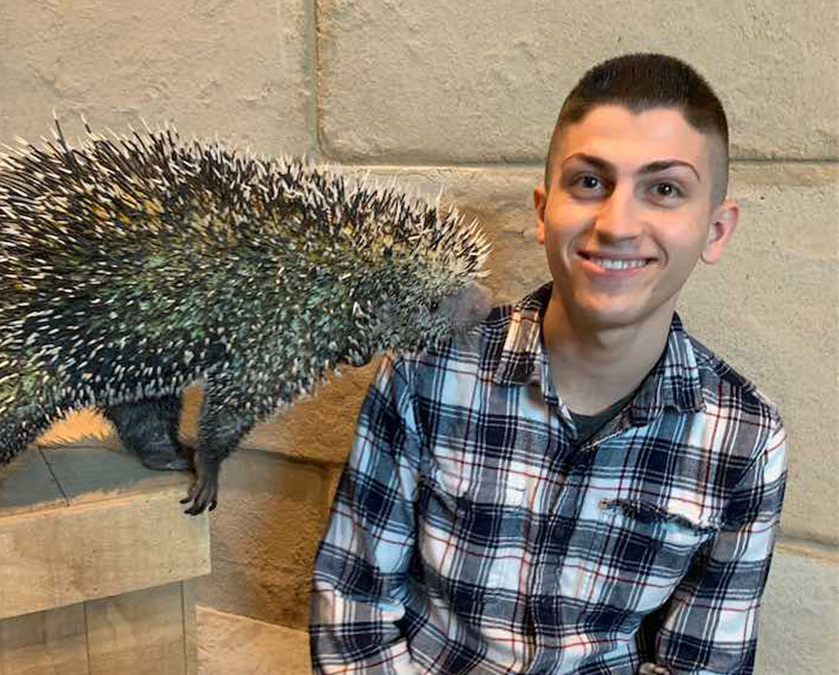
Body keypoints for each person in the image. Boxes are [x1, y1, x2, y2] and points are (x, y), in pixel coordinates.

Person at [309, 53, 788, 674]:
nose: (617, 224)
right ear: (543, 211)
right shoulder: (426, 370)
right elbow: (354, 612)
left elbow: (701, 663)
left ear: (716, 230)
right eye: (589, 182)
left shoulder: (745, 439)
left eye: (664, 189)